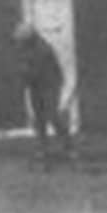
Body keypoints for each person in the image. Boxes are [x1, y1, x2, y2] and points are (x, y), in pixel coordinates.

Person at [12, 23, 75, 164]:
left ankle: (68, 146)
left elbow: (34, 70)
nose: (20, 44)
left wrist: (23, 82)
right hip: (37, 86)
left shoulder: (42, 49)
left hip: (50, 85)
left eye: (22, 40)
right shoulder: (26, 48)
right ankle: (43, 148)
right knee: (39, 117)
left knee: (52, 115)